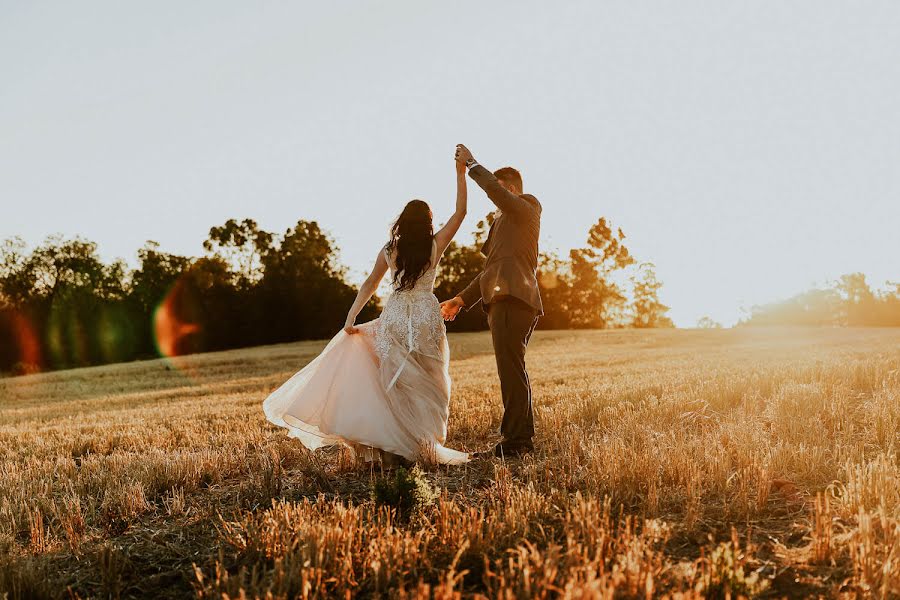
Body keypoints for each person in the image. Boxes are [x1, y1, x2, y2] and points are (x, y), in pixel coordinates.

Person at [263, 151, 470, 465]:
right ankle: (420, 445)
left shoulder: (390, 249)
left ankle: (397, 447)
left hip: (397, 316)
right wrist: (460, 173)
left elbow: (370, 283)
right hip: (426, 317)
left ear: (403, 220)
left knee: (393, 385)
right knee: (430, 383)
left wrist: (352, 315)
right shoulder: (436, 244)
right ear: (428, 222)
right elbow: (461, 212)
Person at [440, 144, 542, 458]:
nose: (493, 203)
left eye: (499, 192)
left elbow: (497, 193)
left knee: (510, 370)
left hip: (513, 299)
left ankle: (514, 442)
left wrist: (471, 164)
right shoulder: (503, 225)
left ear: (509, 188)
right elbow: (490, 270)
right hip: (507, 298)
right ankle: (521, 440)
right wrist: (460, 299)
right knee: (514, 368)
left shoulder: (527, 206)